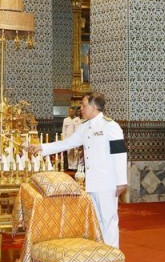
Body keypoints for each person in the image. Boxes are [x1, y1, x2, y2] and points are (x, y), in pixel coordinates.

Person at [29, 92, 127, 248]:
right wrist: (42, 147)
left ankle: (112, 253)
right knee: (96, 220)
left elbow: (119, 153)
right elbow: (67, 143)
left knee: (109, 219)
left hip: (107, 182)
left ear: (94, 107)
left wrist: (121, 180)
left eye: (84, 105)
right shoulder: (85, 127)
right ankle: (100, 252)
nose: (81, 108)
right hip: (92, 182)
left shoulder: (110, 126)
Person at [62, 107, 81, 171]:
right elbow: (63, 130)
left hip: (75, 138)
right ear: (68, 112)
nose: (71, 113)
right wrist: (64, 139)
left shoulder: (76, 119)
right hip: (68, 138)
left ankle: (75, 167)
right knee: (69, 153)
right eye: (70, 112)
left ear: (74, 112)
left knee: (75, 153)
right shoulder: (65, 120)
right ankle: (70, 166)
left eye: (72, 111)